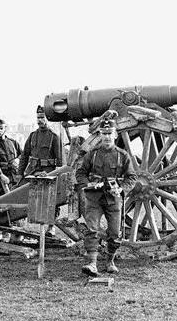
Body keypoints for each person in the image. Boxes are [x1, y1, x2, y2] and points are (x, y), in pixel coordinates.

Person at [75, 119, 137, 276]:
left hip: (113, 198)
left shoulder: (122, 155)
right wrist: (88, 184)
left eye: (110, 133)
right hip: (94, 197)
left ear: (115, 135)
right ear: (100, 135)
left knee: (115, 233)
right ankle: (92, 263)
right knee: (92, 229)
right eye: (104, 133)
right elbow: (80, 173)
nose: (107, 137)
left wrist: (121, 189)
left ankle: (110, 261)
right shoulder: (93, 154)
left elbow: (131, 177)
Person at [18, 106, 64, 183]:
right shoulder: (32, 135)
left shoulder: (54, 137)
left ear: (47, 119)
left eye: (42, 117)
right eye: (38, 118)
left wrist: (53, 174)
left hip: (47, 173)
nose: (39, 120)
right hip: (33, 171)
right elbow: (24, 155)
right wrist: (20, 173)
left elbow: (60, 161)